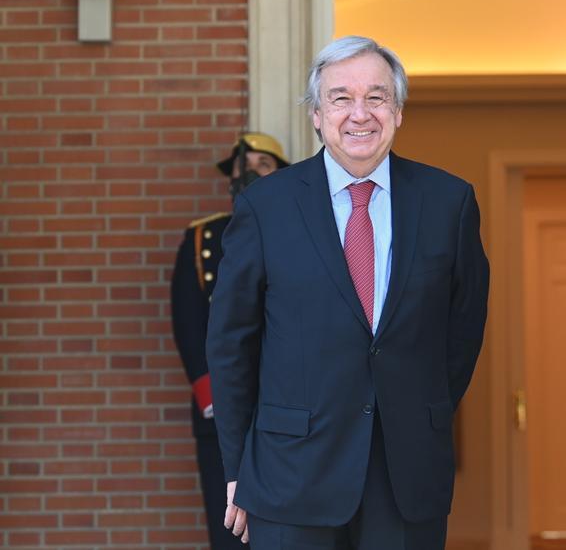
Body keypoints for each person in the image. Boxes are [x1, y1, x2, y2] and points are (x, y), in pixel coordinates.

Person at [206, 35, 490, 550]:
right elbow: (231, 346)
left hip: (406, 474)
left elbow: (463, 331)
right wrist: (236, 467)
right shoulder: (266, 207)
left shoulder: (449, 202)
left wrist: (415, 405)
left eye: (376, 97)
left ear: (398, 112)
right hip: (288, 475)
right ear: (317, 114)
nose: (360, 114)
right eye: (341, 98)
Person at [170, 132, 289, 550]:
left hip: (289, 409)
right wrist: (213, 393)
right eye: (244, 165)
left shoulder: (298, 234)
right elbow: (189, 322)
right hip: (222, 408)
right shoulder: (204, 239)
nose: (251, 172)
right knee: (229, 530)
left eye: (264, 164)